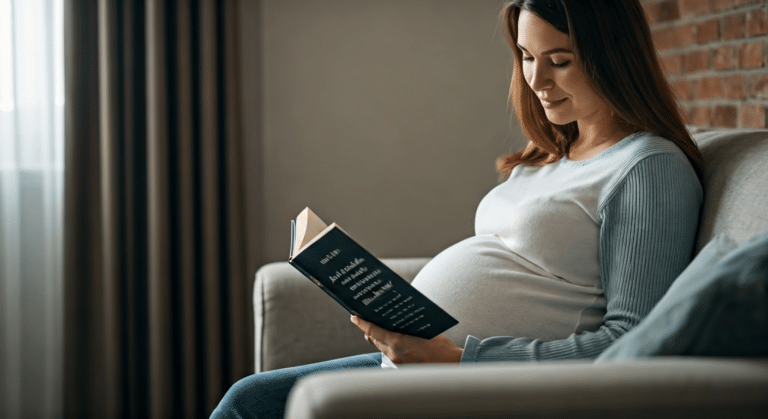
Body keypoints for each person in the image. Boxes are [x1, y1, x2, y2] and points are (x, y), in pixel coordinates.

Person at [211, 0, 703, 417]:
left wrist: (459, 360)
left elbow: (633, 339)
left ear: (613, 58)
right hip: (426, 367)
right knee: (247, 399)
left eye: (560, 60)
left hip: (473, 381)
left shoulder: (647, 167)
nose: (536, 80)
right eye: (527, 57)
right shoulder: (553, 153)